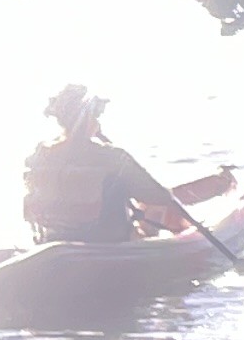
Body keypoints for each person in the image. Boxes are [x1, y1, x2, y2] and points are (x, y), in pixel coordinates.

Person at [21, 88, 181, 242]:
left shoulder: (40, 154)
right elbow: (160, 196)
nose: (97, 120)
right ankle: (152, 245)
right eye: (96, 115)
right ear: (87, 119)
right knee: (158, 203)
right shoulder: (111, 156)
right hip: (106, 241)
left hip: (54, 238)